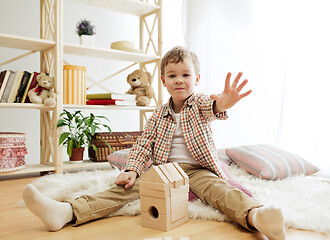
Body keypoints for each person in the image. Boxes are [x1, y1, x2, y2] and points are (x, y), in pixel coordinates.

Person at [22, 46, 286, 240]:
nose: (179, 80)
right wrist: (133, 170)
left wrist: (223, 103)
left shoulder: (201, 103)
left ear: (197, 79)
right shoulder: (158, 114)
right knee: (124, 191)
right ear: (163, 81)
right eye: (172, 76)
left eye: (186, 75)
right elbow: (143, 145)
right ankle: (67, 212)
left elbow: (214, 107)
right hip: (164, 171)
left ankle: (257, 217)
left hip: (199, 170)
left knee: (221, 193)